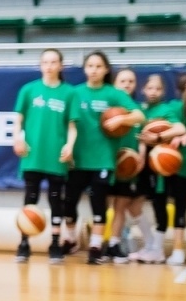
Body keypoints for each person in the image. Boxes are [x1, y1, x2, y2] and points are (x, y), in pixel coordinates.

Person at [60, 51, 145, 266]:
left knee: (99, 203)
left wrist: (121, 120)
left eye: (99, 66)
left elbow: (140, 116)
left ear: (106, 69)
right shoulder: (74, 93)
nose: (94, 70)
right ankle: (70, 238)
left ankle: (96, 246)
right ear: (85, 69)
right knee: (68, 203)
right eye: (90, 65)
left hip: (103, 159)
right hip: (77, 158)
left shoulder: (113, 94)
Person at [11, 48, 72, 264]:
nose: (49, 65)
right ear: (40, 65)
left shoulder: (68, 93)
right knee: (30, 199)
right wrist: (17, 138)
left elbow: (72, 126)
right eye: (45, 61)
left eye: (54, 61)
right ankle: (24, 243)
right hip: (32, 154)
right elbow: (18, 119)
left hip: (55, 156)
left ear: (61, 66)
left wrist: (70, 145)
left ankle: (55, 243)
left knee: (56, 200)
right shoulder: (29, 90)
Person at [132, 73, 181, 263]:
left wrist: (158, 138)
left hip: (159, 164)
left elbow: (180, 129)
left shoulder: (166, 109)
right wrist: (142, 151)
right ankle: (150, 244)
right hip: (142, 165)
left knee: (159, 204)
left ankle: (158, 250)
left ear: (164, 91)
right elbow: (140, 136)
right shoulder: (140, 109)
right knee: (133, 205)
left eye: (158, 88)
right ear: (144, 90)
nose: (153, 92)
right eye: (150, 88)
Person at [103, 67, 145, 264]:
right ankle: (100, 241)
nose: (127, 84)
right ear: (114, 84)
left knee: (121, 205)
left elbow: (143, 139)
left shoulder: (138, 112)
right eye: (123, 81)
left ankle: (114, 243)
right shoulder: (107, 111)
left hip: (127, 166)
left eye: (131, 81)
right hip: (107, 163)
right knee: (102, 205)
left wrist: (140, 157)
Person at [166, 73, 186, 267]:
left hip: (178, 164)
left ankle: (178, 251)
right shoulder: (176, 108)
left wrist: (183, 136)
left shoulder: (173, 107)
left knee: (180, 208)